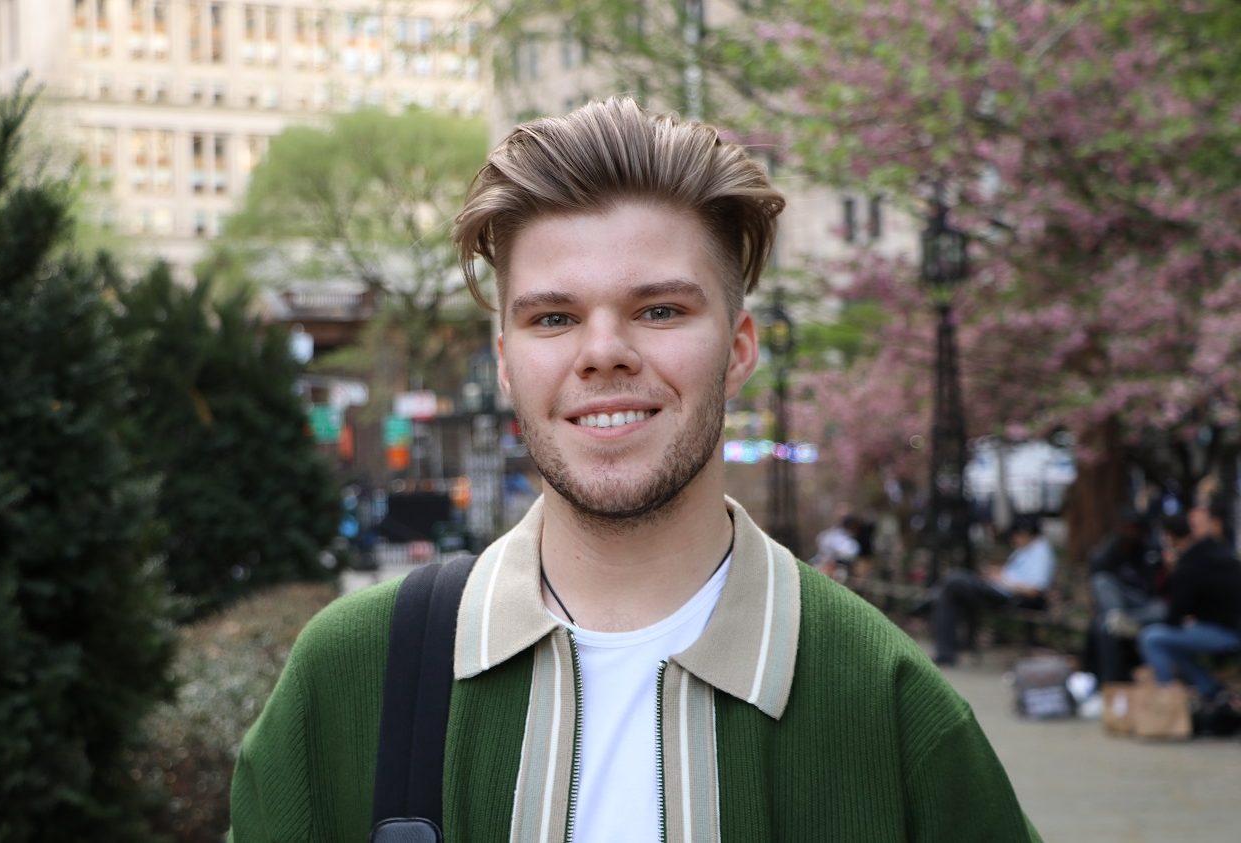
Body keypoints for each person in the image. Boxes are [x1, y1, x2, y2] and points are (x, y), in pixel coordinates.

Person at [228, 98, 1040, 842]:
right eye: (554, 317)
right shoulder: (350, 677)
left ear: (740, 348)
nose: (604, 352)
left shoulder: (887, 703)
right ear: (507, 364)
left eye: (660, 310)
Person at [1137, 497, 1241, 708]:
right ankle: (1209, 689)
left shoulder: (1192, 562)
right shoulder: (1219, 553)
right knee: (1173, 645)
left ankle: (1168, 701)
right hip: (1225, 626)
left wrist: (1171, 570)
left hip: (1226, 632)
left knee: (1152, 638)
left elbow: (1176, 612)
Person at [922, 514, 1056, 666]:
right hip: (999, 591)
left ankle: (926, 606)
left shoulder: (1040, 552)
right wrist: (997, 574)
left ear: (1025, 534)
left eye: (1015, 535)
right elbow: (1015, 574)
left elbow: (1035, 590)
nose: (1013, 540)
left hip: (1013, 599)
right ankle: (946, 649)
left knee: (955, 579)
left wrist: (1004, 581)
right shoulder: (1026, 549)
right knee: (949, 593)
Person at [1087, 510, 1168, 683]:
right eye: (1126, 528)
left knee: (1162, 609)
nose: (1130, 532)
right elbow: (1099, 575)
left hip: (1146, 606)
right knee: (1102, 590)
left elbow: (1157, 591)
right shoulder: (1112, 548)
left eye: (1133, 528)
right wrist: (1112, 546)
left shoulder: (1150, 550)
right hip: (1120, 605)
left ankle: (1118, 620)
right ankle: (1109, 684)